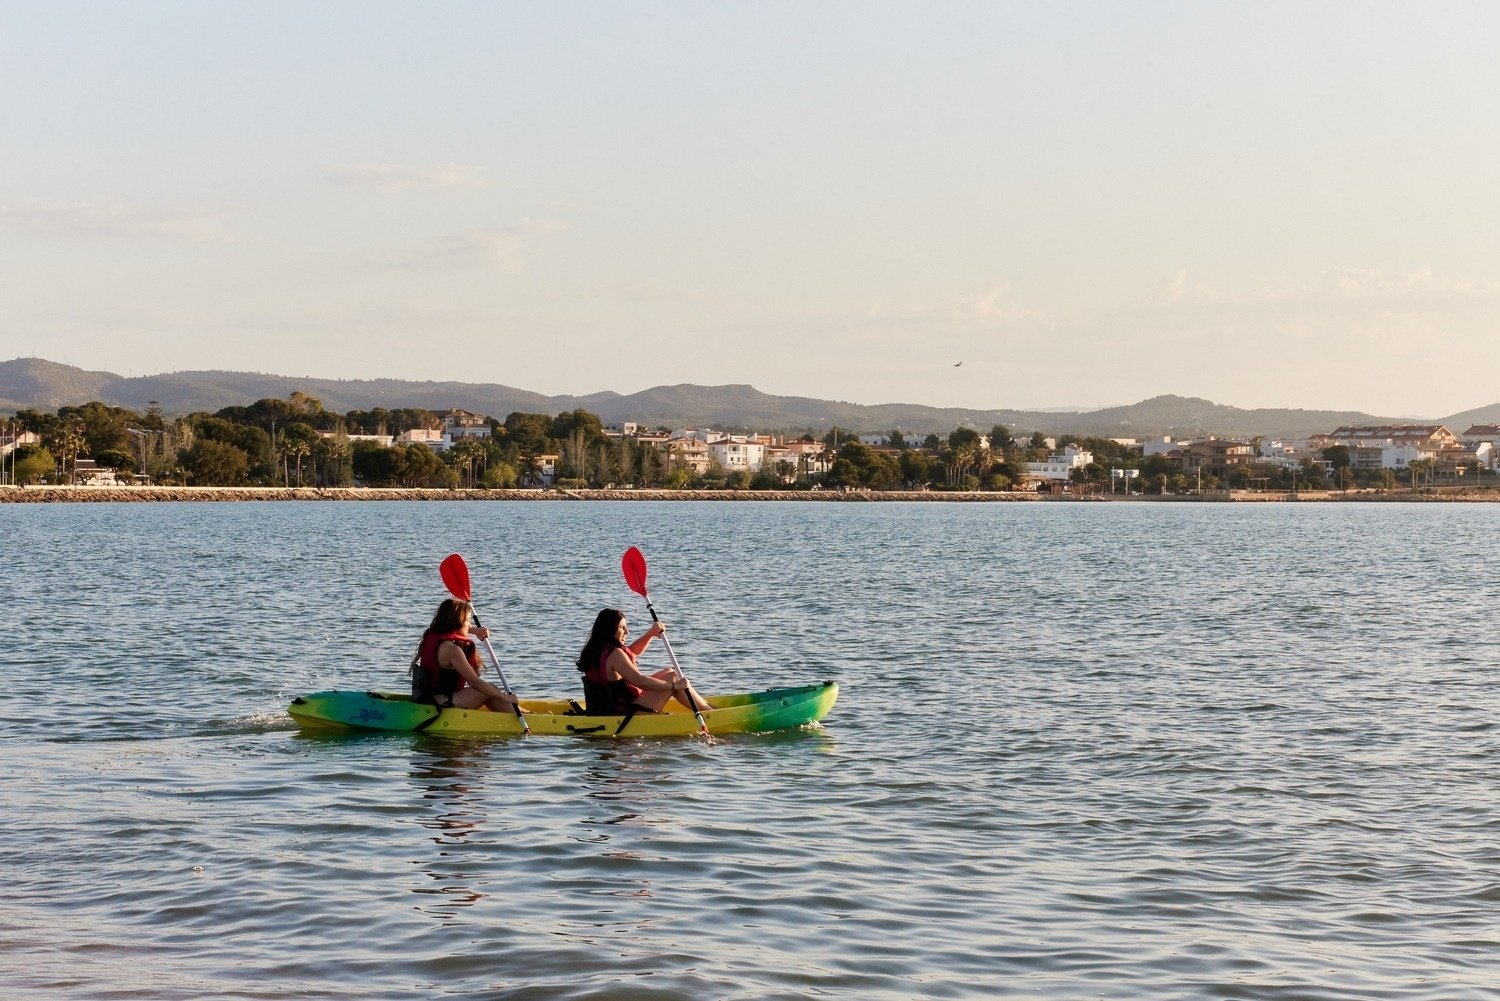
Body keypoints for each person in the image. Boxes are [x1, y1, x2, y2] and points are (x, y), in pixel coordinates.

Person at [576, 608, 711, 715]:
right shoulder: (614, 654)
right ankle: (710, 713)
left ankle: (710, 709)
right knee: (673, 677)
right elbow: (639, 681)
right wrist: (675, 686)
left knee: (669, 672)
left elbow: (632, 651)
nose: (627, 632)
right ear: (610, 629)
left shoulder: (597, 649)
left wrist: (651, 633)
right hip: (625, 714)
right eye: (622, 627)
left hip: (614, 709)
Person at [411, 598, 524, 712]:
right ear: (458, 621)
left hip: (429, 697)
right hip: (440, 702)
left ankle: (521, 713)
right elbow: (475, 683)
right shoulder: (452, 650)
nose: (470, 624)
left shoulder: (435, 637)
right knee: (490, 690)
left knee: (491, 691)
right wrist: (504, 696)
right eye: (468, 620)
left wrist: (475, 631)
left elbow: (459, 628)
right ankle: (522, 716)